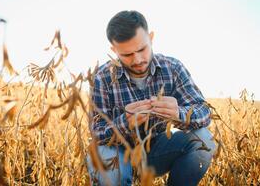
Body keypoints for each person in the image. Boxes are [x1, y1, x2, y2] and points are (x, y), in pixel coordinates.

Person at [87, 10, 216, 186]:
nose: (138, 59)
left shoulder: (173, 67)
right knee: (110, 168)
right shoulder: (103, 77)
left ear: (151, 37)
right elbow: (96, 131)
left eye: (142, 49)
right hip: (116, 151)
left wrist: (179, 113)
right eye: (127, 55)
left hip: (156, 151)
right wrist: (126, 122)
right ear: (114, 50)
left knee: (204, 140)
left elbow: (204, 111)